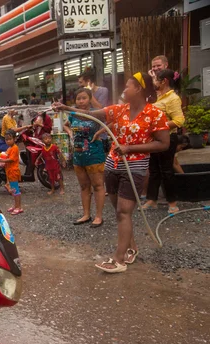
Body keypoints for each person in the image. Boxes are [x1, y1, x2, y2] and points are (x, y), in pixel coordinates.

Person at [54, 72, 170, 273]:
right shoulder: (120, 110)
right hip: (112, 165)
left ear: (139, 89)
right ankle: (131, 248)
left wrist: (130, 149)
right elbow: (91, 114)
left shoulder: (155, 114)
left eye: (128, 86)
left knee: (123, 211)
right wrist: (65, 109)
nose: (124, 90)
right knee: (120, 213)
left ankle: (118, 260)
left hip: (135, 168)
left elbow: (163, 143)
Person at [143, 69, 185, 213]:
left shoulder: (172, 98)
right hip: (153, 139)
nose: (154, 82)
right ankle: (152, 199)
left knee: (166, 170)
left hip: (167, 138)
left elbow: (179, 120)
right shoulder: (157, 97)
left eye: (156, 80)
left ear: (164, 81)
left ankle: (172, 203)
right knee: (154, 170)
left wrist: (159, 127)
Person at [64, 88, 106, 227]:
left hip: (94, 155)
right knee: (84, 186)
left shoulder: (96, 112)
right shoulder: (73, 114)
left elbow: (112, 121)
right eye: (78, 99)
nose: (81, 101)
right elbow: (66, 125)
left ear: (90, 99)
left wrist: (99, 132)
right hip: (78, 155)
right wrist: (70, 132)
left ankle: (99, 216)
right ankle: (86, 214)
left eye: (84, 98)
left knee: (98, 186)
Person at [0, 134, 23, 215]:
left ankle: (18, 207)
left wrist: (1, 160)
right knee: (13, 190)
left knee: (15, 190)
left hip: (13, 171)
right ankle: (15, 205)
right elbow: (5, 155)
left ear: (14, 139)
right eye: (6, 140)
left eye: (10, 139)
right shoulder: (10, 148)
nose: (8, 141)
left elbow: (11, 159)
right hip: (9, 172)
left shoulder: (15, 148)